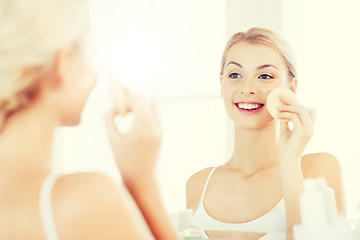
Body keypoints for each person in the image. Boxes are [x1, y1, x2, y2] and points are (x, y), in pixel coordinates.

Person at [0, 0, 177, 239]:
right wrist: (141, 181)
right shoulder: (84, 201)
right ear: (65, 63)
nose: (94, 75)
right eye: (88, 47)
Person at [186, 27, 346, 240]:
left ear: (291, 88)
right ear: (221, 83)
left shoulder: (318, 171)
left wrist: (289, 162)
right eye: (235, 74)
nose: (248, 88)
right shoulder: (197, 184)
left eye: (264, 75)